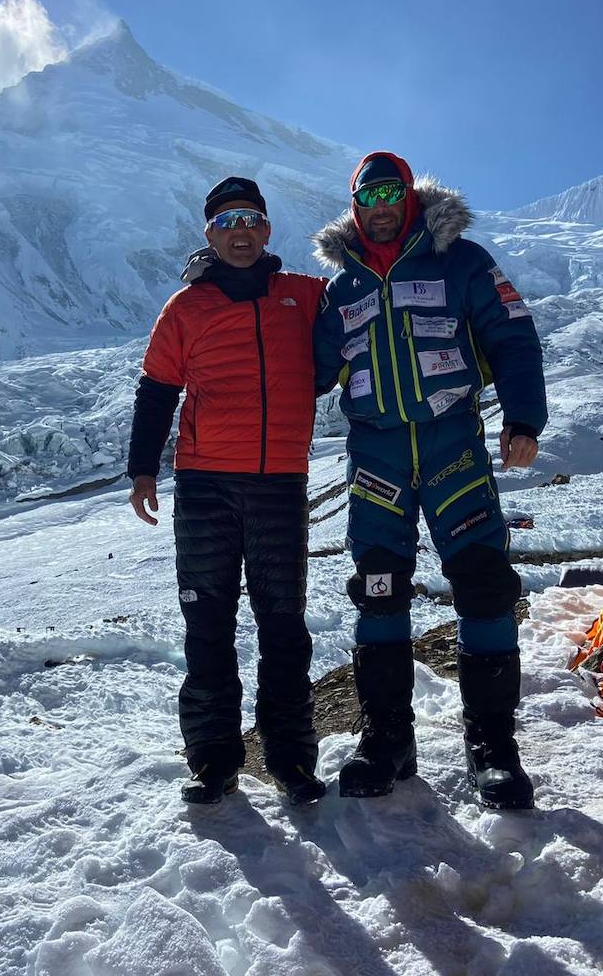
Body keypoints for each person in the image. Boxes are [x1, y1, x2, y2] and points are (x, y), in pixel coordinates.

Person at [312, 152, 547, 810]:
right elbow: (306, 370)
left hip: (454, 448)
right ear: (355, 207)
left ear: (410, 197)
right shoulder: (340, 291)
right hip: (377, 462)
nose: (382, 204)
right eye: (369, 195)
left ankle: (493, 748)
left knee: (482, 584)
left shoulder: (462, 260)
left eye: (392, 191)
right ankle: (388, 742)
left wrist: (525, 415)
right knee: (379, 592)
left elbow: (513, 336)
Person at [128, 177, 328, 806]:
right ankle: (213, 761)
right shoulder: (185, 309)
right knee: (208, 626)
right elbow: (157, 389)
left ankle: (291, 761)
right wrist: (142, 470)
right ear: (209, 234)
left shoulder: (305, 296)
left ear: (268, 229)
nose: (240, 232)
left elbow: (372, 306)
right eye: (226, 222)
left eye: (251, 220)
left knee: (284, 628)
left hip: (278, 485)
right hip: (206, 487)